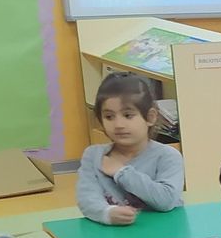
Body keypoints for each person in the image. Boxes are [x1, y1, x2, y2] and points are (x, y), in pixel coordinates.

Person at [77, 73, 184, 226]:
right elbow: (86, 197)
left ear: (150, 117)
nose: (118, 124)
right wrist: (106, 214)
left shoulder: (168, 156)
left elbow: (166, 200)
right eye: (109, 117)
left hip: (162, 235)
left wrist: (122, 173)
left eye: (128, 115)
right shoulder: (94, 155)